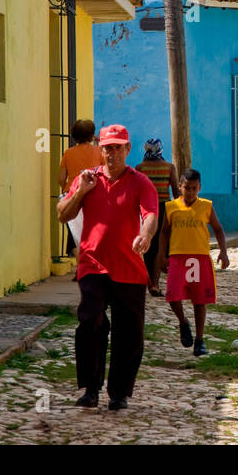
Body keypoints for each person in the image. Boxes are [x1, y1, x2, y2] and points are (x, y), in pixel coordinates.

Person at [56, 124, 159, 411]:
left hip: (129, 268)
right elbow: (62, 215)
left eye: (117, 147)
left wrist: (146, 234)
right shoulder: (86, 179)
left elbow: (150, 214)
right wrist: (80, 193)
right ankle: (90, 388)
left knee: (129, 332)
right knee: (90, 321)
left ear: (128, 149)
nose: (112, 153)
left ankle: (119, 393)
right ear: (100, 150)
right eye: (107, 147)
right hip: (93, 265)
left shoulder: (141, 183)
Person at [157, 169, 228, 357]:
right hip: (178, 257)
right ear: (180, 187)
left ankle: (199, 340)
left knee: (199, 300)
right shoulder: (171, 207)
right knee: (172, 295)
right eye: (186, 188)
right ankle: (183, 322)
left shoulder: (206, 206)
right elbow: (164, 232)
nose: (189, 192)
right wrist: (161, 254)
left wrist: (223, 252)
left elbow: (218, 229)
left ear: (199, 188)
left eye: (193, 188)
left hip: (199, 257)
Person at [134, 138, 178, 297]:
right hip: (164, 209)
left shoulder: (140, 168)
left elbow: (135, 190)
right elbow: (176, 192)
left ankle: (148, 283)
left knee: (147, 247)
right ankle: (155, 284)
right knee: (160, 247)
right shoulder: (169, 167)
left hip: (145, 210)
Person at [57, 120, 102, 258]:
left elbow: (61, 179)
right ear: (91, 135)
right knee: (92, 231)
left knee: (74, 235)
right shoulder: (98, 151)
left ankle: (80, 265)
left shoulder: (68, 153)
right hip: (93, 195)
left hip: (72, 195)